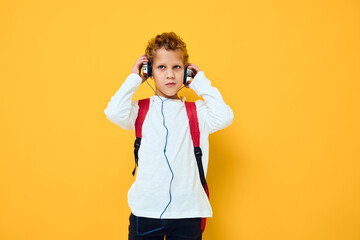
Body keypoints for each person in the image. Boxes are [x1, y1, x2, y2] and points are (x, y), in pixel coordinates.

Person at [104, 32, 234, 240]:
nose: (170, 75)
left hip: (188, 213)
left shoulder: (197, 112)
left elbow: (225, 116)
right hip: (145, 213)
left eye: (177, 67)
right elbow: (113, 112)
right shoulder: (141, 110)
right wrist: (134, 79)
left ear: (186, 72)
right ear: (149, 72)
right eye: (161, 67)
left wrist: (201, 83)